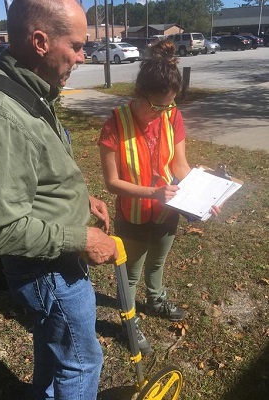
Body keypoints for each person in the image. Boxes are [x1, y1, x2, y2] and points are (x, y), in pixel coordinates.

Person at [0, 1, 118, 399]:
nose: (83, 57)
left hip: (54, 261)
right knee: (82, 361)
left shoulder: (29, 87)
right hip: (46, 272)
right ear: (40, 41)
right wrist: (83, 239)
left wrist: (81, 198)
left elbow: (38, 166)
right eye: (77, 46)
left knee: (55, 348)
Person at [99, 40, 219, 354]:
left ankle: (156, 299)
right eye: (156, 106)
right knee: (131, 273)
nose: (162, 113)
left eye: (169, 105)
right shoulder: (115, 124)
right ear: (138, 93)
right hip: (134, 215)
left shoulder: (172, 115)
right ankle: (129, 322)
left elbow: (179, 165)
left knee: (157, 264)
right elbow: (112, 183)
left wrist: (203, 197)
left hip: (168, 212)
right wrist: (153, 192)